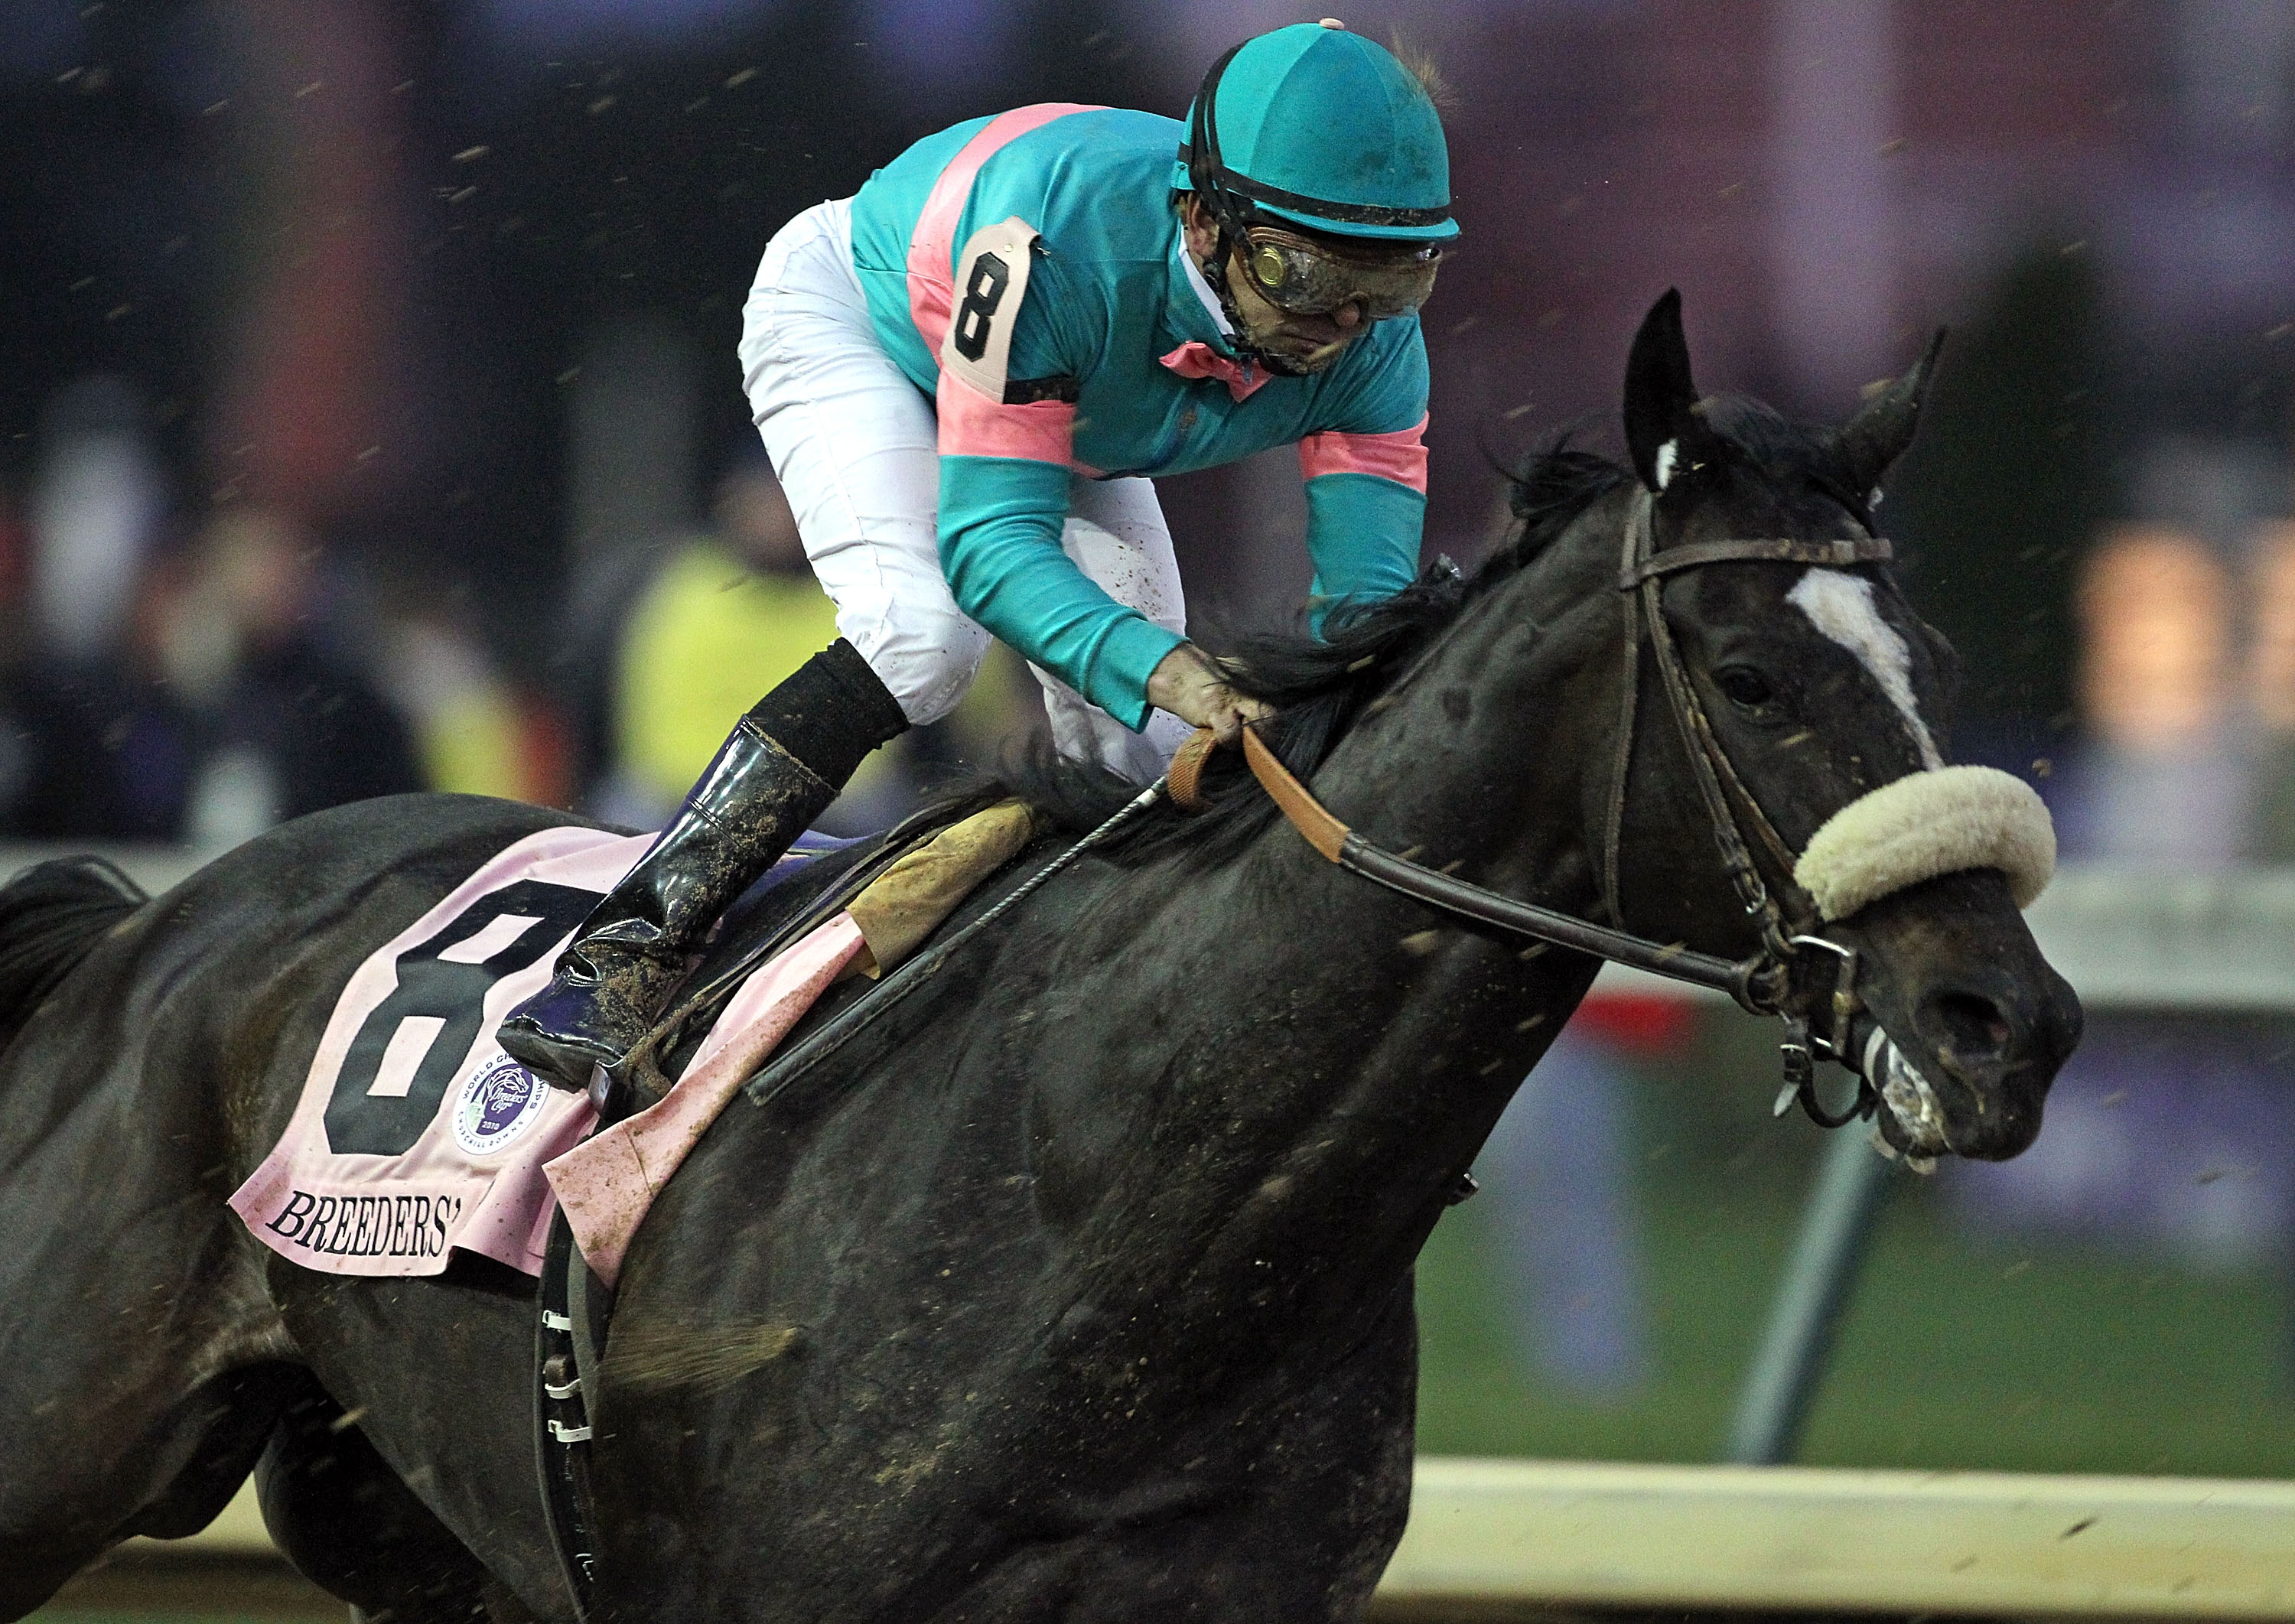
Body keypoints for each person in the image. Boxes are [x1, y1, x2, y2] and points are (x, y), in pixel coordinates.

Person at [500, 21, 1457, 1092]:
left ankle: (1114, 1032)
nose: (1342, 325)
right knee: (924, 641)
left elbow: (1361, 622)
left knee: (1135, 751)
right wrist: (1175, 669)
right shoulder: (1055, 240)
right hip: (863, 324)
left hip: (1062, 395)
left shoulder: (1374, 345)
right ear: (1204, 214)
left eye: (1392, 283)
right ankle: (623, 955)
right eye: (1301, 270)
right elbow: (991, 547)